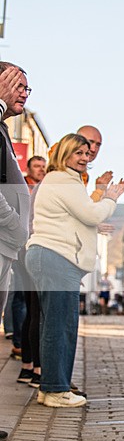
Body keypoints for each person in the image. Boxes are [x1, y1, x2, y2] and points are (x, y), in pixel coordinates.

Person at [26, 133, 124, 407]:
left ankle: (50, 388)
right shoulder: (63, 180)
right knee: (62, 326)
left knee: (52, 325)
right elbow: (91, 214)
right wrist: (112, 198)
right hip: (54, 256)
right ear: (64, 154)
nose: (84, 157)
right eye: (78, 153)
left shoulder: (62, 180)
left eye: (86, 152)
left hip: (50, 256)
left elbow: (77, 218)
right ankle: (57, 390)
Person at [0, 63, 32, 360]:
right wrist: (14, 224)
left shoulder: (4, 129)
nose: (24, 94)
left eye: (26, 88)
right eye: (17, 85)